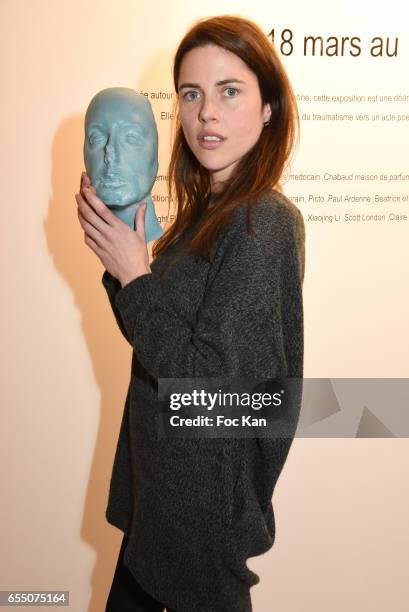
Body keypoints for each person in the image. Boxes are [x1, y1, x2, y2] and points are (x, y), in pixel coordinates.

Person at [75, 14, 305, 612]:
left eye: (230, 91)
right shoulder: (208, 215)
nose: (207, 112)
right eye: (191, 93)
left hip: (195, 546)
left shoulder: (264, 223)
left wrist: (134, 273)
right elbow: (155, 341)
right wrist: (120, 261)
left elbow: (210, 392)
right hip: (159, 520)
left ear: (267, 109)